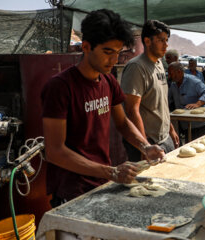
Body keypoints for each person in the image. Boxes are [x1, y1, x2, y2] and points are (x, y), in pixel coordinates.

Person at [41, 9, 165, 206]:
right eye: (108, 52)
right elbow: (54, 151)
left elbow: (123, 123)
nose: (114, 60)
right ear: (86, 46)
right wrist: (112, 171)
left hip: (101, 181)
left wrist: (145, 146)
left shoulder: (108, 81)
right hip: (71, 188)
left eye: (118, 52)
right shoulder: (60, 87)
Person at [121, 20, 179, 162]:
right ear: (147, 41)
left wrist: (170, 129)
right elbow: (131, 110)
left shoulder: (159, 64)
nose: (166, 45)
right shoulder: (137, 67)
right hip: (146, 141)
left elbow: (162, 103)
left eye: (166, 40)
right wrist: (144, 146)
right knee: (147, 183)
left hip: (163, 138)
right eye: (161, 40)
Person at [168, 62, 205, 142]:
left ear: (179, 72)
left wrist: (197, 104)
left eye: (171, 74)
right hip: (186, 125)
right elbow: (168, 99)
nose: (169, 76)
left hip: (201, 125)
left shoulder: (193, 81)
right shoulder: (173, 85)